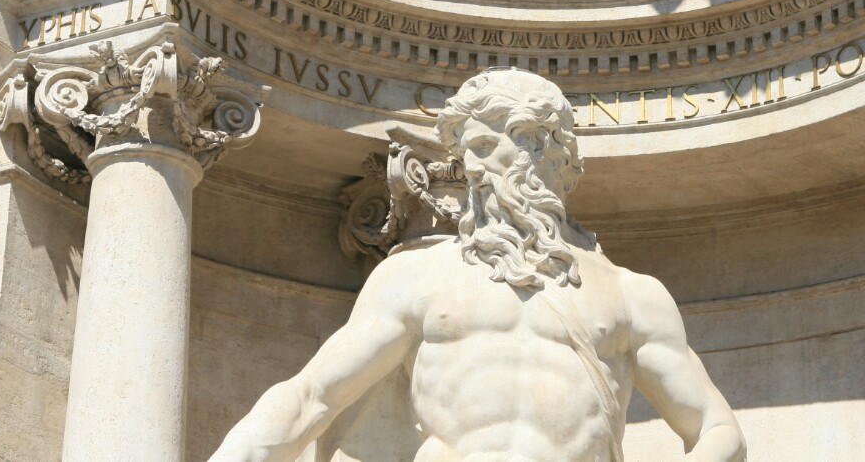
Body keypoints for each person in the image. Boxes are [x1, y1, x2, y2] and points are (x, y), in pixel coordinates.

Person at [210, 68, 746, 462]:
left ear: (543, 147)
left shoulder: (631, 294)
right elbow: (310, 397)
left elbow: (717, 429)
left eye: (487, 144)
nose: (470, 165)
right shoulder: (417, 275)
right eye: (467, 149)